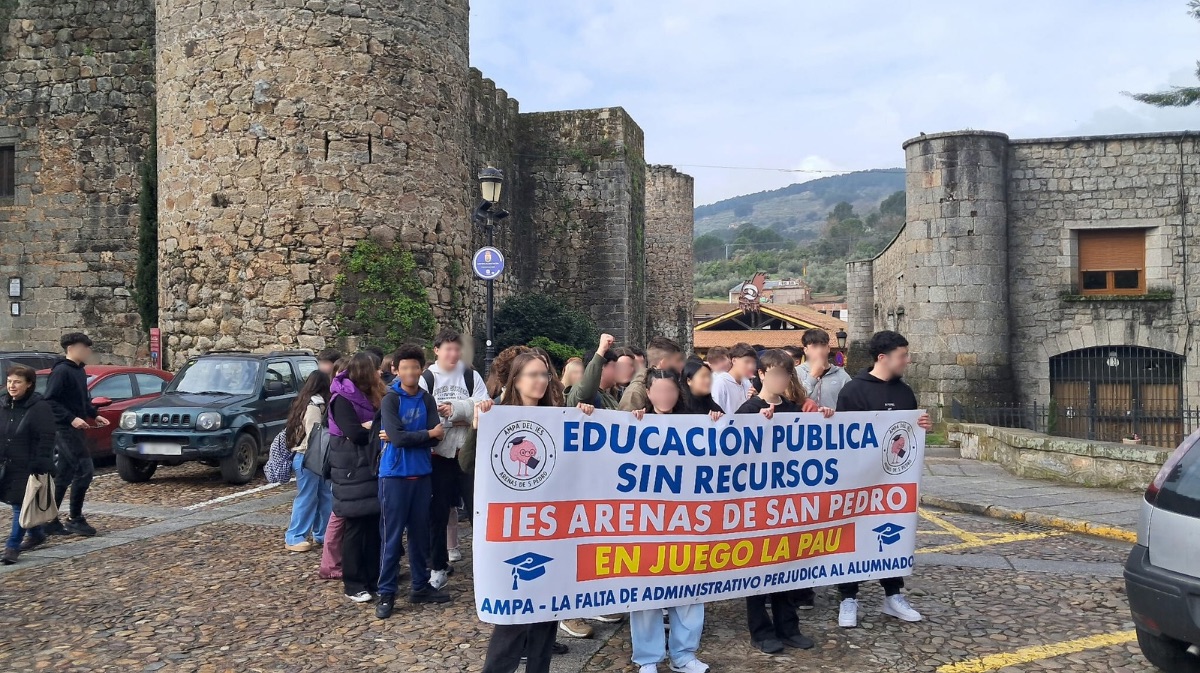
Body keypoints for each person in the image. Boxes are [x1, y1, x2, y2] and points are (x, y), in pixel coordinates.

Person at [480, 353, 594, 673]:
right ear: (515, 380)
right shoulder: (497, 415)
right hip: (511, 533)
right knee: (512, 618)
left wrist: (586, 418)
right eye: (533, 375)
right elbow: (467, 466)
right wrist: (481, 426)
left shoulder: (558, 417)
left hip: (550, 529)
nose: (541, 380)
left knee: (547, 613)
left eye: (544, 374)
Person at [834, 330, 932, 628]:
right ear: (883, 358)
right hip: (857, 483)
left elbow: (907, 436)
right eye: (902, 355)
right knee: (852, 538)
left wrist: (922, 425)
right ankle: (848, 597)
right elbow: (842, 439)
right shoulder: (852, 392)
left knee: (892, 534)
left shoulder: (905, 392)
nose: (907, 360)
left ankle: (893, 595)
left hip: (893, 484)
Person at [735, 349, 830, 654]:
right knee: (756, 573)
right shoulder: (747, 411)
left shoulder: (794, 409)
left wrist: (826, 420)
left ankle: (788, 628)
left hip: (788, 506)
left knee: (786, 569)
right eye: (775, 373)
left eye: (786, 374)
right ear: (761, 375)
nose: (781, 379)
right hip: (756, 507)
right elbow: (733, 456)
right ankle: (761, 632)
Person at [627, 368, 709, 673]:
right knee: (646, 590)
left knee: (689, 588)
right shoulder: (632, 423)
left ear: (679, 393)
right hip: (647, 522)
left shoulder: (697, 424)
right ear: (648, 393)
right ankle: (648, 659)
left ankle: (684, 655)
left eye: (670, 391)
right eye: (658, 391)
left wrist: (717, 426)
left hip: (688, 520)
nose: (665, 397)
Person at [375, 345, 453, 619]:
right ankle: (386, 592)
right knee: (392, 538)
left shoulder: (426, 399)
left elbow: (438, 435)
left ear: (422, 369)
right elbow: (398, 438)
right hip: (394, 476)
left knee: (421, 535)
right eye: (405, 367)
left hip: (422, 474)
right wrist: (424, 433)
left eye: (415, 367)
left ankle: (420, 586)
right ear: (396, 370)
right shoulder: (391, 399)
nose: (410, 372)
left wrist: (416, 435)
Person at [559, 334, 625, 639]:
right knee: (574, 548)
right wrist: (600, 352)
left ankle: (593, 600)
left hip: (603, 483)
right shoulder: (582, 395)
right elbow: (583, 391)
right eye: (615, 366)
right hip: (581, 486)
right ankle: (568, 612)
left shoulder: (611, 396)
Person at [419, 329, 489, 589]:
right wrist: (460, 417)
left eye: (457, 349)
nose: (453, 354)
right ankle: (437, 565)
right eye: (447, 349)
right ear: (436, 350)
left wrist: (457, 411)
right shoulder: (428, 378)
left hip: (468, 454)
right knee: (437, 513)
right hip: (439, 455)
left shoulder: (471, 376)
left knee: (477, 511)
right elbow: (423, 413)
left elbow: (486, 406)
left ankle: (484, 565)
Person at [325, 352, 386, 603]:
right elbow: (354, 434)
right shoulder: (341, 399)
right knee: (354, 527)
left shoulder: (373, 395)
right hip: (351, 468)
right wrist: (372, 428)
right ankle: (353, 583)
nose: (379, 373)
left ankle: (372, 578)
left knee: (373, 527)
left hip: (370, 467)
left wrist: (369, 427)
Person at [39, 332, 107, 537]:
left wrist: (94, 415)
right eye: (84, 348)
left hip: (75, 429)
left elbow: (83, 399)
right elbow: (50, 401)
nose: (88, 352)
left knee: (65, 475)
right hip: (64, 429)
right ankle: (75, 519)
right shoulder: (61, 371)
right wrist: (71, 418)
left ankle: (50, 521)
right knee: (85, 470)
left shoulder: (79, 371)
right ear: (71, 348)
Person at [1, 365, 57, 563]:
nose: (12, 386)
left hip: (27, 465)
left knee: (19, 505)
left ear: (29, 384)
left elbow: (46, 437)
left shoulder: (39, 407)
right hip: (7, 463)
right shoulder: (4, 404)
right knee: (19, 503)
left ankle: (12, 547)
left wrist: (41, 462)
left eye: (17, 382)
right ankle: (36, 533)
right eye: (9, 381)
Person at [283, 371, 333, 553]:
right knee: (308, 497)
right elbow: (315, 435)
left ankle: (324, 533)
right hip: (309, 456)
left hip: (308, 456)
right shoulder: (314, 406)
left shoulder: (302, 403)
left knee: (323, 495)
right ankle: (295, 536)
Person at [619, 336, 684, 412]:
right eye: (678, 361)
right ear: (664, 363)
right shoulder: (635, 392)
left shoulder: (679, 385)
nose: (682, 365)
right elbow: (625, 421)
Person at [798, 329, 851, 412]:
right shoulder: (796, 373)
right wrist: (812, 377)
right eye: (814, 346)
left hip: (832, 423)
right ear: (806, 350)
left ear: (828, 348)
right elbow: (793, 401)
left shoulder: (842, 376)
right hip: (804, 423)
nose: (820, 351)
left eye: (823, 346)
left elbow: (851, 405)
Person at [564, 334, 620, 410]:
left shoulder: (609, 397)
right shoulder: (579, 389)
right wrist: (601, 350)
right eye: (614, 367)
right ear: (601, 367)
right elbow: (586, 393)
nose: (618, 371)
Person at [711, 343, 757, 421]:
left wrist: (756, 399)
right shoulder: (720, 382)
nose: (751, 367)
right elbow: (716, 411)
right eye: (747, 362)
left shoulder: (747, 383)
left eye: (753, 362)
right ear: (734, 361)